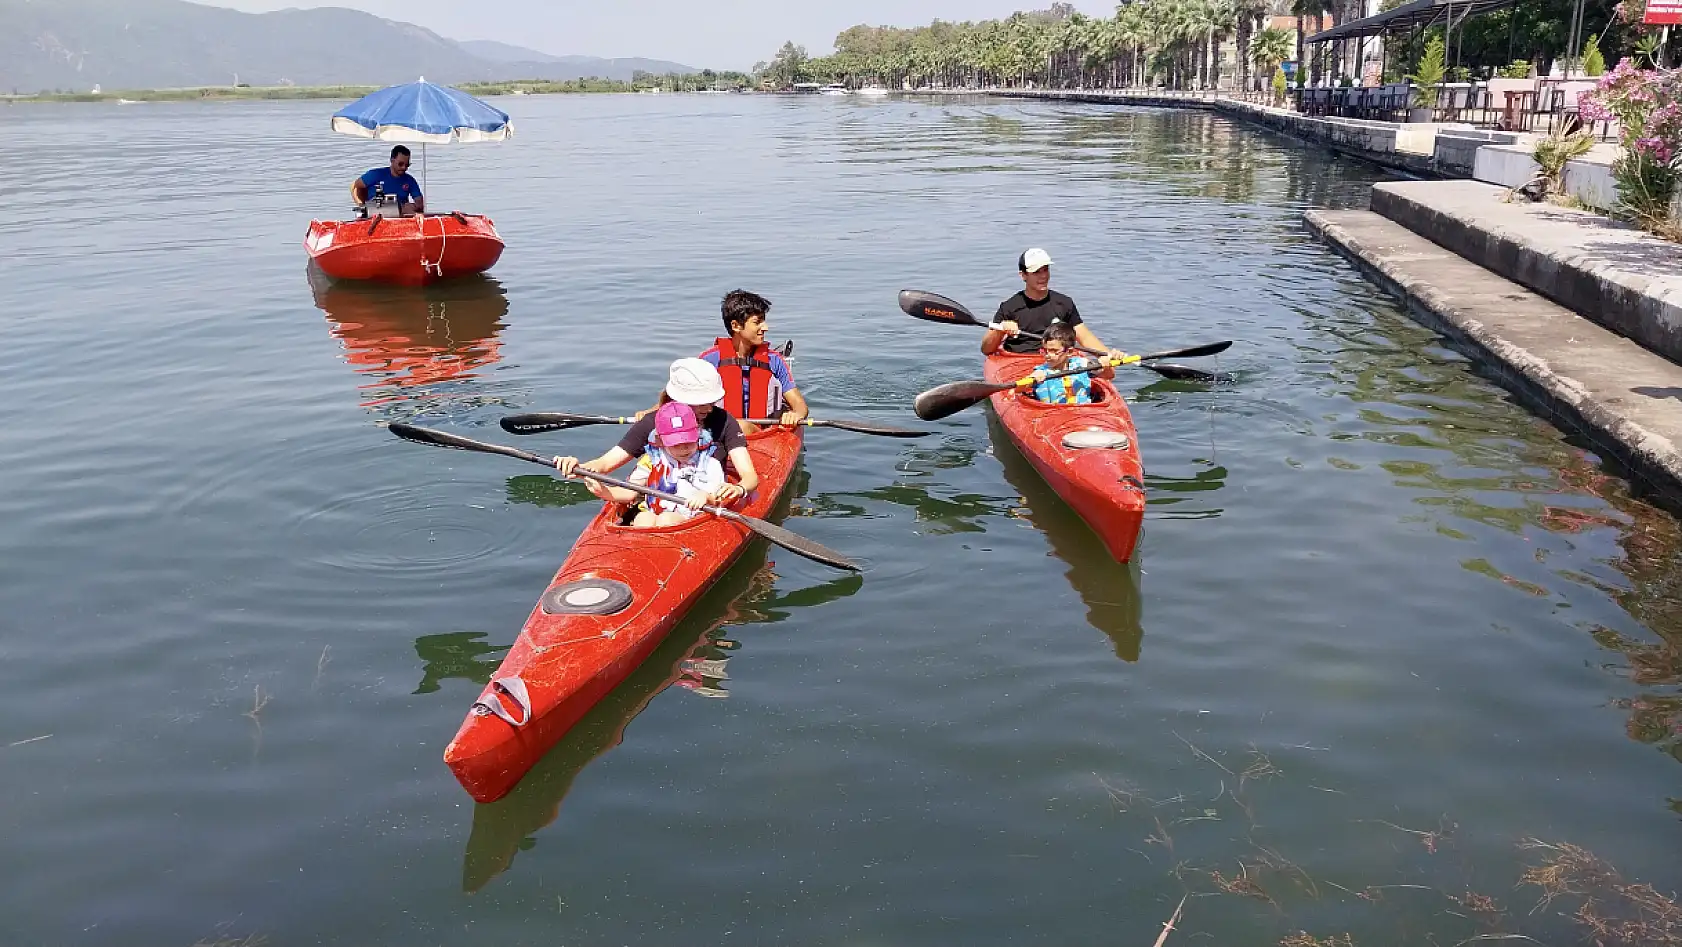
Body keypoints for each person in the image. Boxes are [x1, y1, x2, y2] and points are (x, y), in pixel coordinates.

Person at [555, 358, 760, 505]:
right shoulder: (653, 422)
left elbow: (749, 476)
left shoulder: (724, 421)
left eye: (712, 402)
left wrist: (738, 489)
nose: (708, 409)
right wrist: (576, 466)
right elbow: (604, 465)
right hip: (662, 501)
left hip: (704, 501)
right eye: (700, 403)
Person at [579, 402, 726, 527]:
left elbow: (719, 499)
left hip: (690, 520)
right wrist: (602, 491)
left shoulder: (709, 464)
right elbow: (630, 492)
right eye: (676, 444)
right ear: (660, 441)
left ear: (698, 434)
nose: (684, 448)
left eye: (689, 441)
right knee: (643, 519)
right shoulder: (652, 461)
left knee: (666, 520)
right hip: (655, 514)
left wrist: (705, 496)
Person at [981, 248, 1124, 361]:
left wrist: (1108, 354)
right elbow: (986, 349)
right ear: (1023, 275)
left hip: (1057, 360)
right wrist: (1000, 329)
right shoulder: (1009, 307)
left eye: (1045, 269)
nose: (1043, 276)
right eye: (1036, 272)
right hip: (1019, 362)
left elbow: (1085, 338)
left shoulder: (1064, 303)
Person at [699, 290, 807, 433]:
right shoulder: (709, 360)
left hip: (764, 434)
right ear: (736, 326)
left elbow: (799, 405)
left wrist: (795, 415)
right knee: (740, 427)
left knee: (742, 427)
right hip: (721, 432)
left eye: (764, 321)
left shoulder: (774, 360)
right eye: (757, 322)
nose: (765, 328)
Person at [1027, 323, 1114, 404]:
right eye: (1045, 350)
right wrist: (1031, 379)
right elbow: (1019, 389)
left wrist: (1106, 366)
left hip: (1083, 414)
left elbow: (1108, 376)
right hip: (1053, 415)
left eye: (1054, 351)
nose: (1048, 355)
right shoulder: (1041, 371)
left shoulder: (1082, 365)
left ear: (1069, 351)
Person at [351, 145, 425, 217]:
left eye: (407, 165)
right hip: (375, 213)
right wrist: (361, 205)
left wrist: (416, 206)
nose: (404, 167)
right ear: (392, 160)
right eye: (400, 164)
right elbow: (354, 186)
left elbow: (419, 201)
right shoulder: (376, 174)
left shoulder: (410, 180)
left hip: (399, 216)